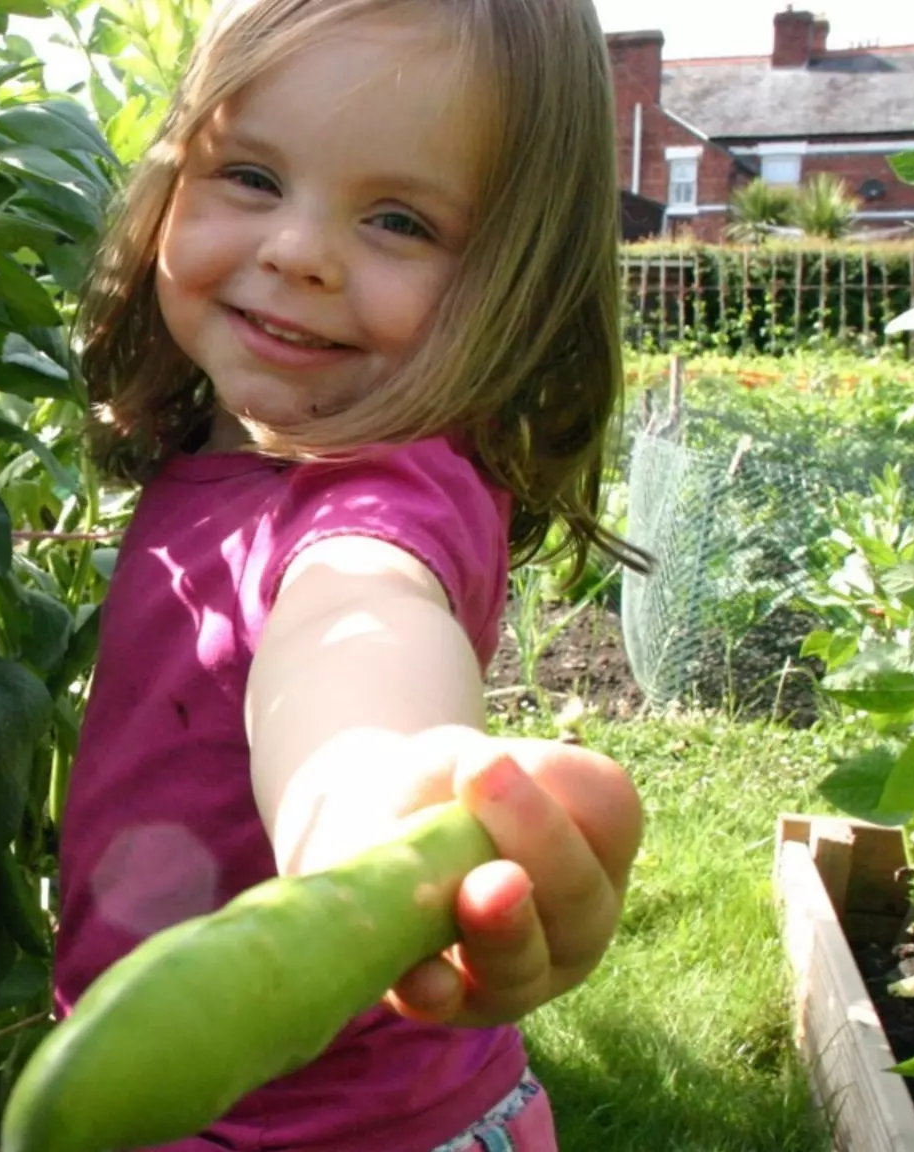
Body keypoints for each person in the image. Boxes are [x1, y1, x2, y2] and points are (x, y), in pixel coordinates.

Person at [50, 0, 649, 1148]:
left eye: (397, 220)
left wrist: (368, 824)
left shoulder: (376, 499)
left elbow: (355, 630)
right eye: (251, 177)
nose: (295, 252)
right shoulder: (225, 451)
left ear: (515, 279)